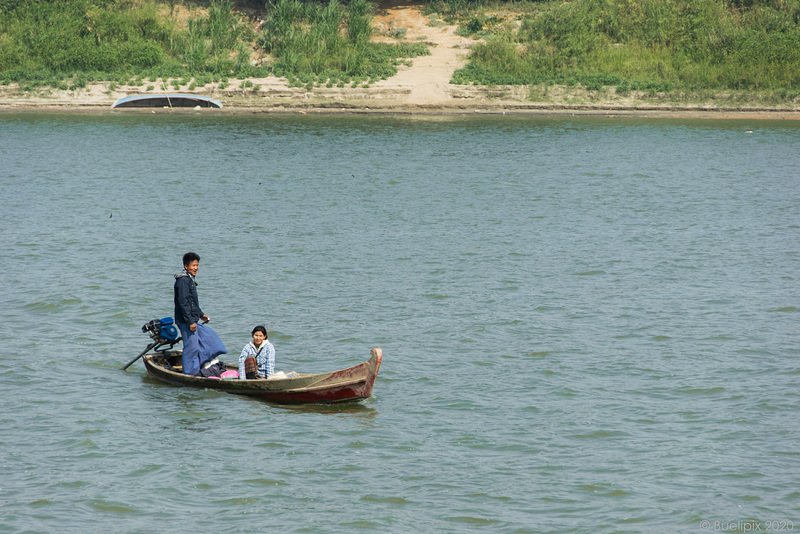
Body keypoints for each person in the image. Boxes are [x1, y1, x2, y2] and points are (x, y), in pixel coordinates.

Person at [174, 252, 227, 375]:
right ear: (186, 266)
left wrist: (201, 314)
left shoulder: (190, 279)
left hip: (192, 319)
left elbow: (192, 302)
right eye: (193, 265)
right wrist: (190, 321)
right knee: (191, 348)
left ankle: (198, 366)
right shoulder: (183, 281)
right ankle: (190, 374)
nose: (196, 268)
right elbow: (183, 303)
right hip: (185, 321)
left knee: (210, 337)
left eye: (197, 265)